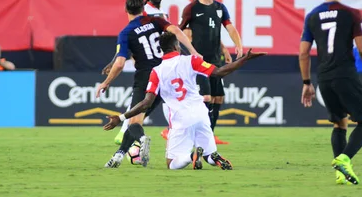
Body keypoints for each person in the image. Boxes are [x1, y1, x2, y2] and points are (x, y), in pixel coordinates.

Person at [103, 32, 265, 170]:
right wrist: (243, 60)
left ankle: (190, 156)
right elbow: (219, 72)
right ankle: (212, 156)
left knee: (171, 162)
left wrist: (122, 117)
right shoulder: (191, 60)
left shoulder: (157, 72)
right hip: (201, 114)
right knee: (209, 153)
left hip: (181, 119)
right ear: (176, 47)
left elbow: (146, 103)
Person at [95, 0, 200, 168]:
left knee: (134, 121)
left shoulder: (126, 32)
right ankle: (118, 156)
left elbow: (120, 63)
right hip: (166, 75)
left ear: (126, 10)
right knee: (137, 119)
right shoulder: (155, 20)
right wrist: (193, 51)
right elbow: (175, 30)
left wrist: (106, 83)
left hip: (146, 78)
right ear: (143, 7)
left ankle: (142, 139)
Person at [299, 0, 362, 185]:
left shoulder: (312, 16)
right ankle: (344, 159)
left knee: (339, 123)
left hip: (324, 77)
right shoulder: (351, 14)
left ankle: (340, 174)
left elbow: (303, 53)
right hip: (345, 73)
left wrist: (307, 83)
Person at [179, 0, 243, 139]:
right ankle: (197, 136)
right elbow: (179, 32)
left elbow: (230, 28)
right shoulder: (191, 8)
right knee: (205, 98)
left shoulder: (220, 8)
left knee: (218, 98)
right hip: (199, 63)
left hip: (216, 62)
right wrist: (192, 51)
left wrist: (238, 44)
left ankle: (209, 136)